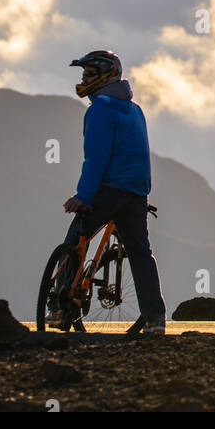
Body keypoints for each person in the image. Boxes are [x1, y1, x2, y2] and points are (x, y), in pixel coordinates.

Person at [49, 50, 166, 334]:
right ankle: (155, 318)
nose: (84, 79)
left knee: (76, 238)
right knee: (140, 253)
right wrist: (142, 191)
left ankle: (59, 308)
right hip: (136, 193)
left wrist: (83, 197)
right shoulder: (134, 109)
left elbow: (96, 158)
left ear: (104, 77)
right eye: (84, 75)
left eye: (89, 74)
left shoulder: (99, 109)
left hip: (109, 190)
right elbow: (140, 154)